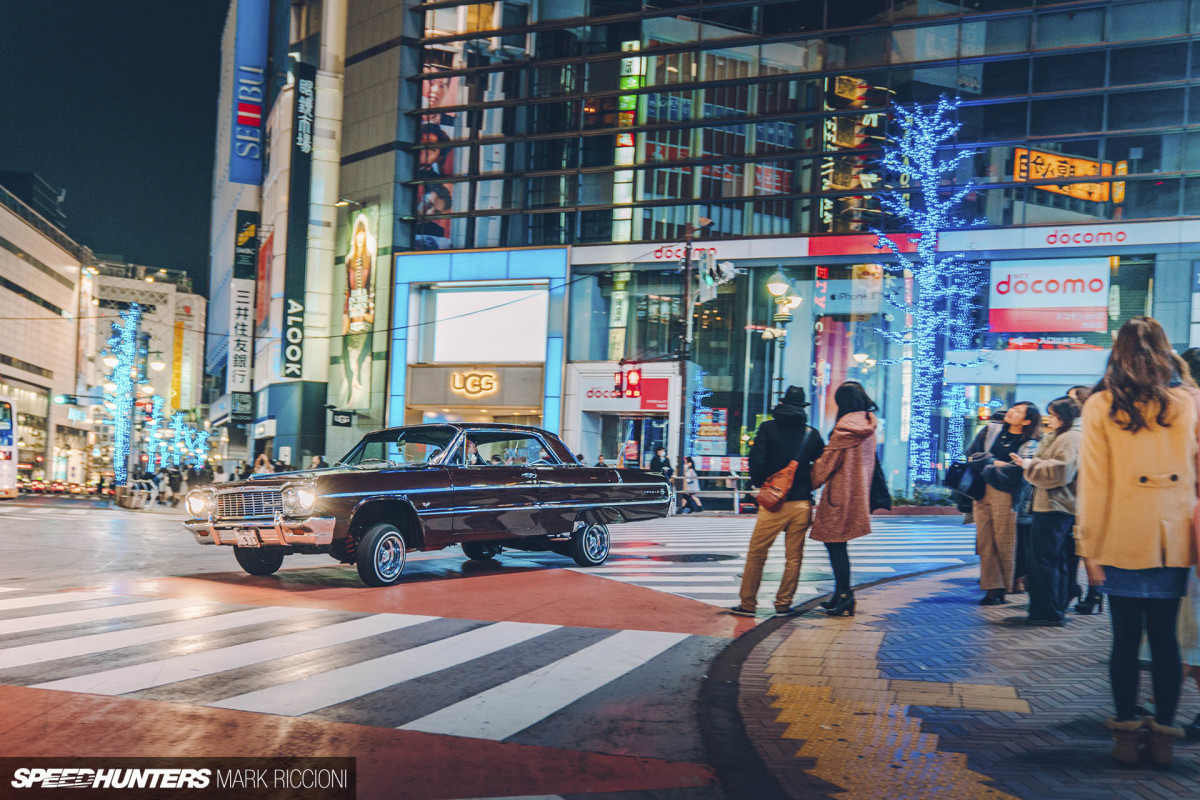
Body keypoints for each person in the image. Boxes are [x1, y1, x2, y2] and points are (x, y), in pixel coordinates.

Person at [1077, 316, 1199, 767]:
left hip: (1118, 535)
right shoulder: (1190, 402)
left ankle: (1126, 736)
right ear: (1166, 351)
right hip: (1174, 538)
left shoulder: (1101, 405)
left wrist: (1087, 548)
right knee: (1166, 639)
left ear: (1117, 353)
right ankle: (1164, 738)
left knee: (1125, 638)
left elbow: (1093, 483)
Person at [732, 386, 825, 617]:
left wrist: (761, 484)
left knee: (757, 553)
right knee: (793, 558)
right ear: (803, 408)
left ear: (781, 405)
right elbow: (822, 462)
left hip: (773, 502)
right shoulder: (810, 434)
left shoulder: (767, 428)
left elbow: (756, 459)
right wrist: (810, 484)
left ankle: (748, 604)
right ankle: (783, 604)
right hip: (801, 502)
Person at [810, 381, 879, 617]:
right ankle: (840, 593)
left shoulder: (844, 428)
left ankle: (844, 596)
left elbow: (827, 464)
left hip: (839, 494)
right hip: (858, 493)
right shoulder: (869, 424)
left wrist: (809, 479)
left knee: (835, 545)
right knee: (839, 545)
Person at [1016, 396, 1082, 626]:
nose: (1049, 419)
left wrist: (1029, 465)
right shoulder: (1058, 436)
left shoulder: (1071, 437)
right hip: (1051, 504)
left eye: (1053, 414)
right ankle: (1048, 608)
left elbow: (1062, 471)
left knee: (1046, 560)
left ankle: (1049, 610)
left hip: (1057, 505)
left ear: (1064, 416)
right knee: (1049, 559)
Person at [966, 401, 1040, 605]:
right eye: (1012, 408)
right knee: (985, 541)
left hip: (1007, 492)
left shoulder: (1031, 442)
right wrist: (993, 462)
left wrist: (995, 465)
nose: (1011, 412)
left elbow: (1022, 471)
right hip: (981, 489)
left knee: (1004, 541)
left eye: (1017, 411)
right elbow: (971, 454)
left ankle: (1004, 587)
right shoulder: (990, 430)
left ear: (1026, 421)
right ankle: (992, 587)